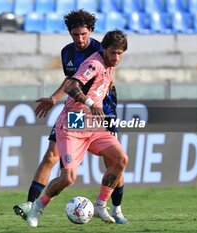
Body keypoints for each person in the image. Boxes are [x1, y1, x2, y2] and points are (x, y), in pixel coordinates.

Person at [13, 10, 128, 224]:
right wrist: (54, 99)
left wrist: (97, 102)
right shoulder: (68, 52)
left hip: (102, 108)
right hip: (77, 113)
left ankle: (114, 208)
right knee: (53, 158)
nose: (80, 39)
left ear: (91, 32)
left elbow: (100, 80)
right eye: (75, 34)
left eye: (83, 34)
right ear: (70, 33)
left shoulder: (101, 49)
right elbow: (71, 82)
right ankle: (32, 205)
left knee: (115, 159)